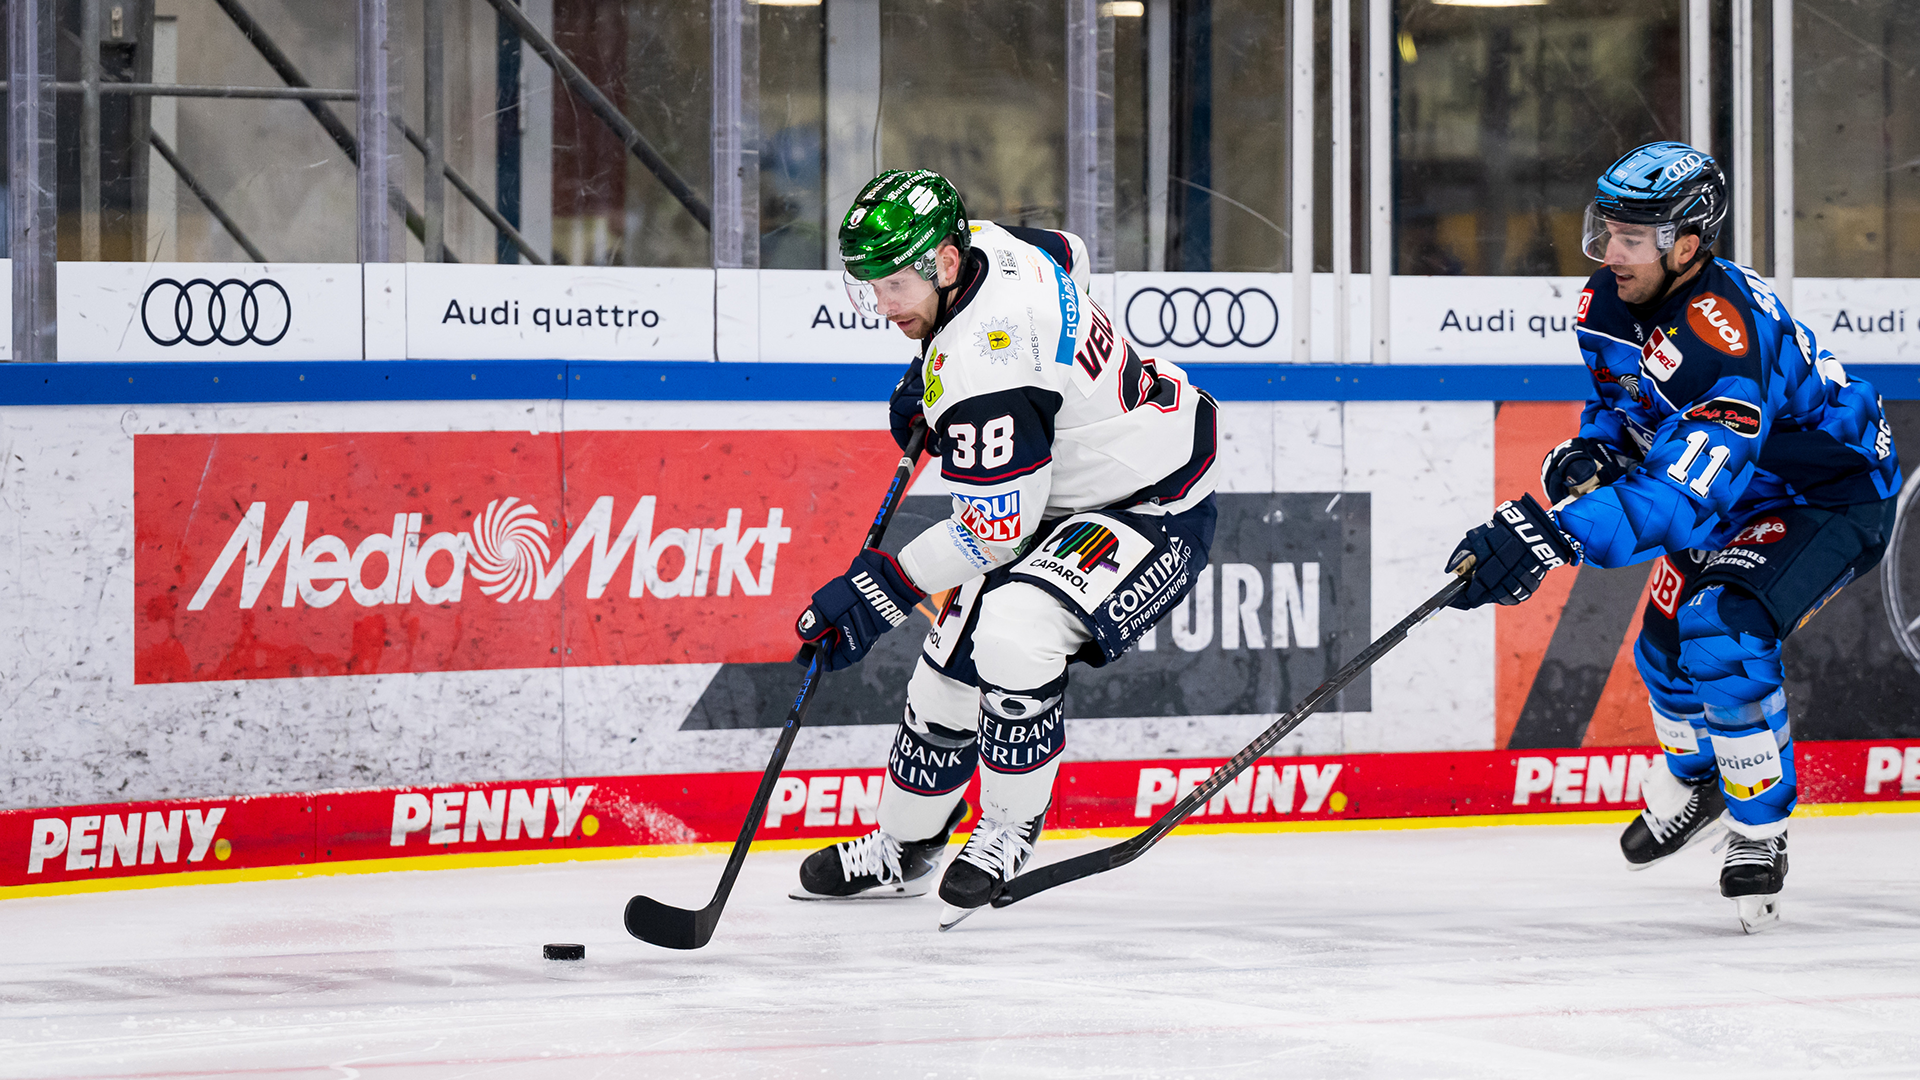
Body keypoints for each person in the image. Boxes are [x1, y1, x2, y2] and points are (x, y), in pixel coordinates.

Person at [1445, 143, 1901, 933]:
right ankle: (1697, 779)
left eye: (1632, 237)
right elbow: (1629, 411)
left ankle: (1759, 831)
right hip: (1744, 489)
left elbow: (1686, 497)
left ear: (1687, 243)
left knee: (1720, 627)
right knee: (1660, 649)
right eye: (1607, 230)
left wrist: (1550, 535)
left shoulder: (1722, 339)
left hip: (1829, 496)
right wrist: (1596, 448)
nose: (1609, 252)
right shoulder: (1604, 303)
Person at [788, 169, 1220, 928]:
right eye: (870, 288)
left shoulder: (985, 372)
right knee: (945, 678)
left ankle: (1009, 825)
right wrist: (925, 375)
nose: (882, 307)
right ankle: (905, 847)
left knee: (1013, 633)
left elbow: (995, 531)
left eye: (893, 287)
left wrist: (878, 588)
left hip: (1146, 508)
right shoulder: (991, 242)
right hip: (1061, 489)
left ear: (945, 266)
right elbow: (1072, 254)